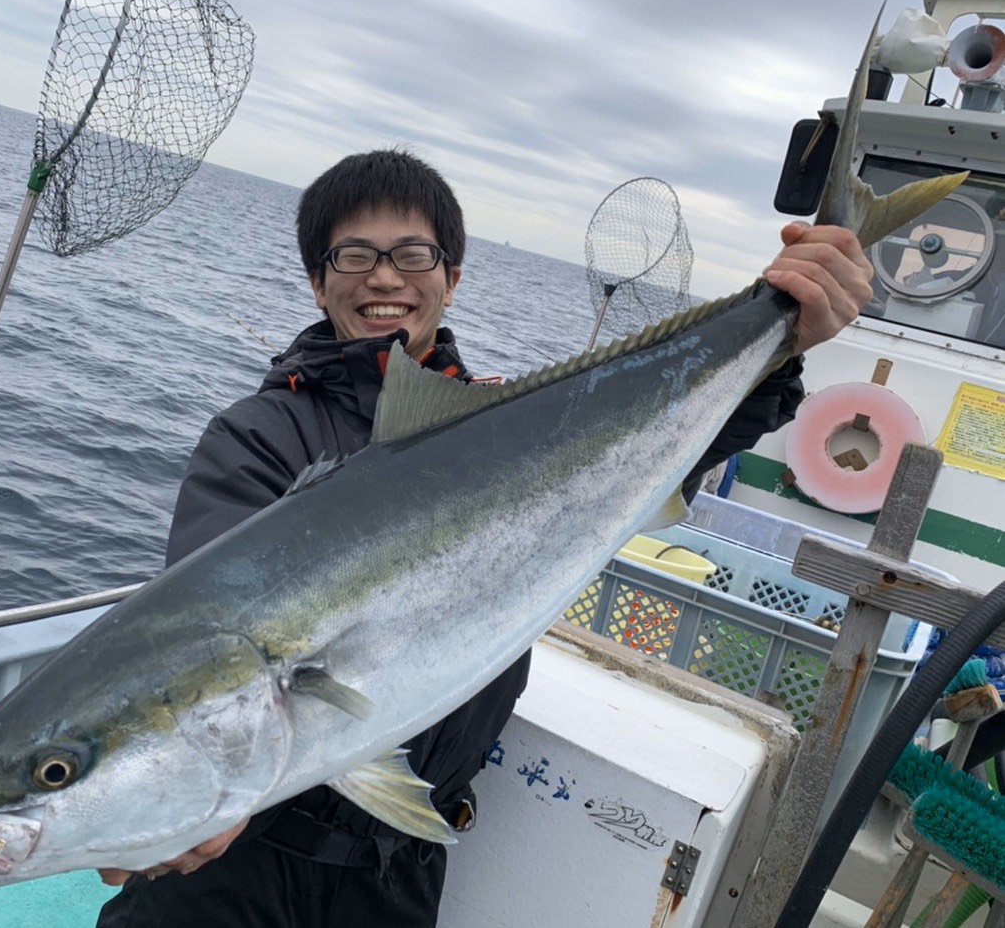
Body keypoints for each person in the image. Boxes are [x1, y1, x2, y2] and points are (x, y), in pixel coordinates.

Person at [96, 149, 874, 927]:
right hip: (241, 865)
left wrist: (785, 335)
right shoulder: (258, 437)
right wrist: (201, 797)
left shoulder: (512, 428)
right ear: (317, 279)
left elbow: (659, 449)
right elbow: (207, 649)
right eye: (355, 256)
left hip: (398, 874)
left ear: (453, 276)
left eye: (412, 255)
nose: (385, 278)